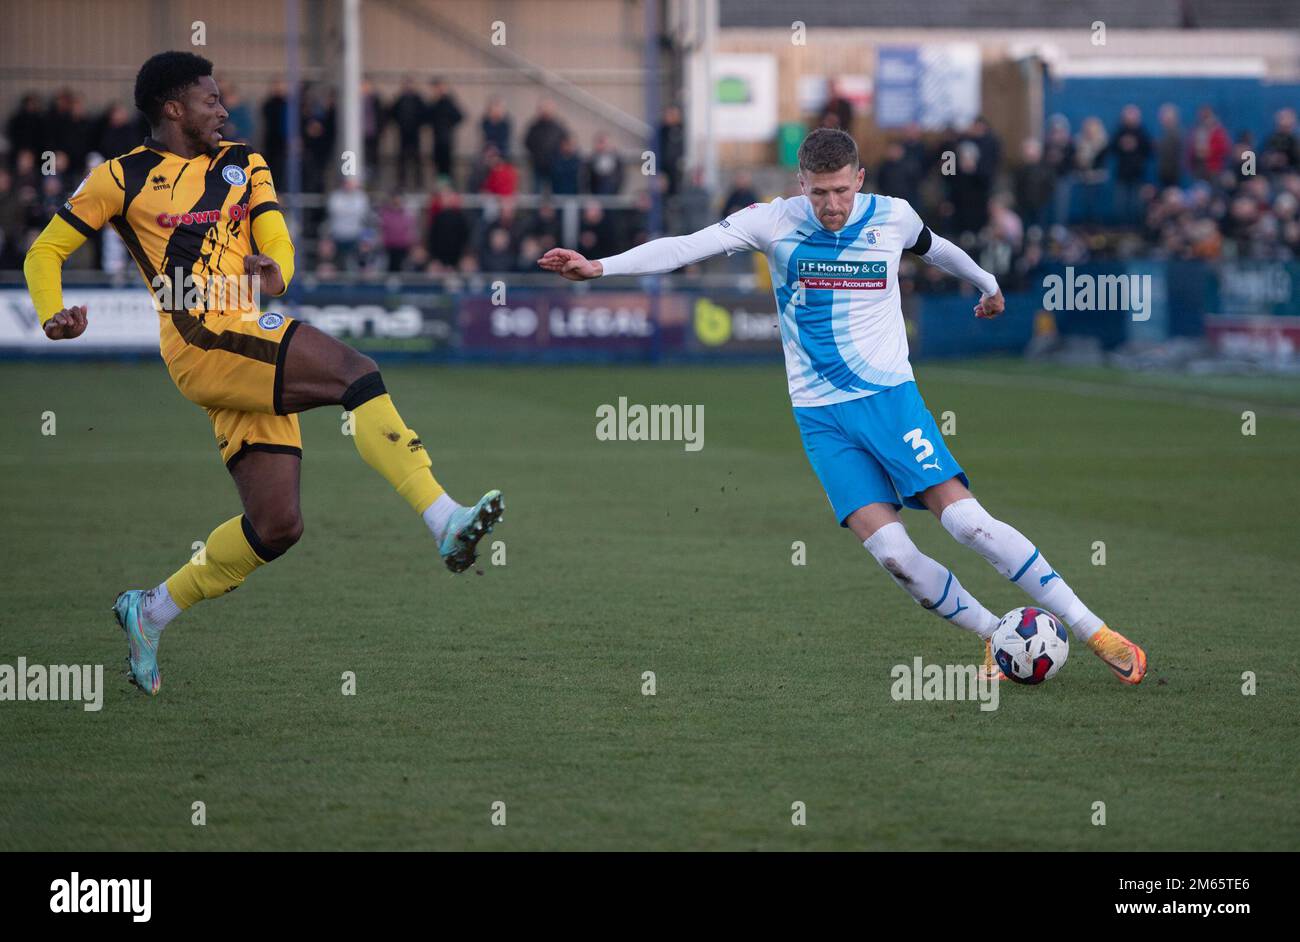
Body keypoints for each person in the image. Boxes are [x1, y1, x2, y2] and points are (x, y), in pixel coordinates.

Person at [539, 127, 1146, 685]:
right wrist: (601, 267)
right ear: (800, 184)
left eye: (841, 190)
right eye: (819, 193)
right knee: (896, 559)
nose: (832, 205)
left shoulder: (893, 217)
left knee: (967, 523)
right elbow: (685, 247)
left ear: (858, 178)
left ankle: (1096, 631)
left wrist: (987, 285)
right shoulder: (770, 221)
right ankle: (997, 636)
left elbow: (937, 249)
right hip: (821, 419)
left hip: (890, 400)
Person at [22, 51, 503, 697]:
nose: (223, 109)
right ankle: (443, 519)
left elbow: (275, 237)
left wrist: (279, 269)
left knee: (277, 525)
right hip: (200, 338)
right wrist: (52, 314)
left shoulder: (243, 161)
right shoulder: (121, 176)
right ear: (172, 107)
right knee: (355, 373)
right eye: (210, 99)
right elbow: (45, 251)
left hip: (243, 338)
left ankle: (151, 608)